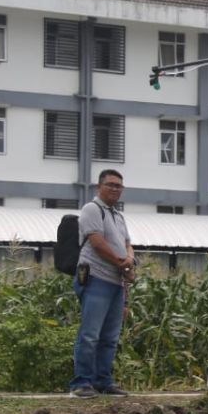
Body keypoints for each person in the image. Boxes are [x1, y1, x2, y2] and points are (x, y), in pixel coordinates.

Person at [70, 169, 134, 398]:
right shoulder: (92, 209)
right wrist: (122, 262)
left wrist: (129, 261)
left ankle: (102, 381)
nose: (115, 189)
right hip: (96, 278)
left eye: (119, 186)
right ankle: (81, 383)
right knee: (90, 334)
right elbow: (97, 243)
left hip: (116, 282)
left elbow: (127, 244)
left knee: (109, 337)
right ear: (99, 187)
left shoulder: (118, 216)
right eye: (110, 185)